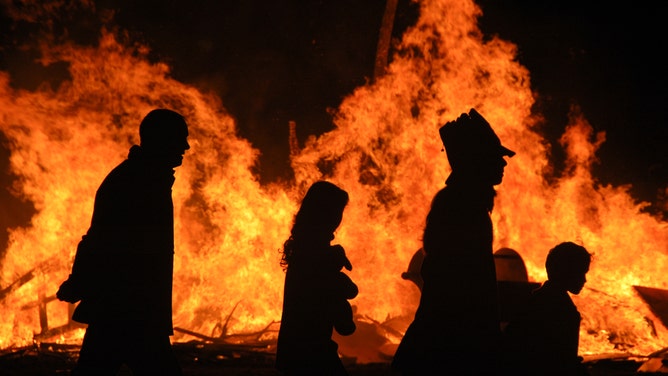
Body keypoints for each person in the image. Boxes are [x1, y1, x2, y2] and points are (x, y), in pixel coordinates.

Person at [56, 109, 190, 376]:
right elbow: (102, 240)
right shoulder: (134, 183)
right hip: (130, 310)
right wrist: (80, 282)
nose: (186, 147)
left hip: (125, 310)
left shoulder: (146, 179)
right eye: (180, 139)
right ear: (161, 141)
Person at [392, 108, 515, 375]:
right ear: (477, 162)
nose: (503, 163)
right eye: (496, 157)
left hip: (447, 333)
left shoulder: (462, 201)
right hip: (452, 337)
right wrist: (487, 337)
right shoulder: (464, 206)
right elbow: (468, 281)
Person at [276, 181, 359, 376]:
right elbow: (332, 293)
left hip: (296, 351)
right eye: (337, 211)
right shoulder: (317, 254)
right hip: (311, 352)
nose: (338, 218)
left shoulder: (303, 248)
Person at [502, 242, 592, 376]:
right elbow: (562, 361)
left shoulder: (533, 300)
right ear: (567, 272)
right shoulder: (563, 312)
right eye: (581, 272)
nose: (584, 280)